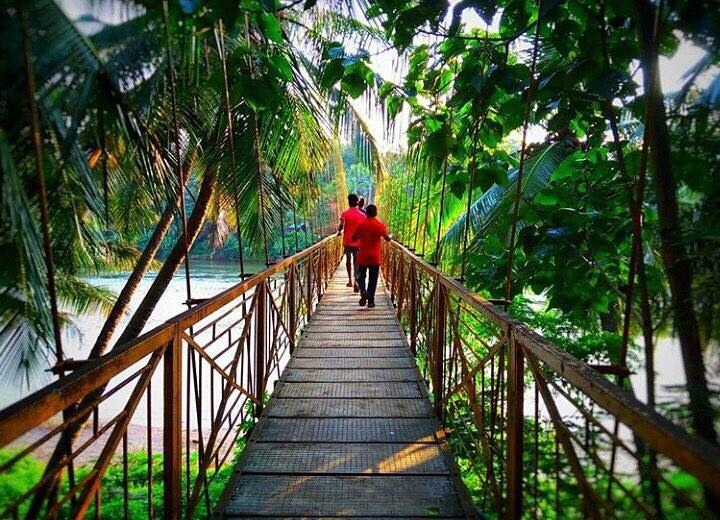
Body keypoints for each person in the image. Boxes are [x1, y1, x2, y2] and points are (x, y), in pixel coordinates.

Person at [352, 204, 392, 308]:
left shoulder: (361, 224)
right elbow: (387, 239)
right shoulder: (380, 225)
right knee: (373, 279)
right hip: (375, 257)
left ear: (366, 212)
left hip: (363, 256)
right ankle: (371, 301)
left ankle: (363, 291)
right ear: (376, 213)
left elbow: (353, 238)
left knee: (360, 277)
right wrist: (390, 236)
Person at [337, 193, 366, 290]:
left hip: (347, 242)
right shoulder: (362, 215)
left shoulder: (345, 213)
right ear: (357, 203)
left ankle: (349, 280)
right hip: (358, 242)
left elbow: (341, 224)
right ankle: (355, 282)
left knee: (348, 260)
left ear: (348, 202)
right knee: (356, 262)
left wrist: (339, 232)